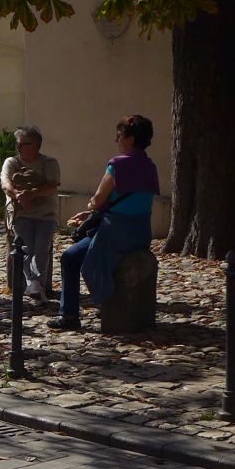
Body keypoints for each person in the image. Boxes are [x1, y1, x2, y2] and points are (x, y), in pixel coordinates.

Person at [50, 115, 161, 332]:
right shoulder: (150, 166)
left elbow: (99, 199)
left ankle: (69, 314)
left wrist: (91, 206)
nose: (117, 140)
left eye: (120, 135)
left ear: (130, 139)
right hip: (140, 233)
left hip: (115, 233)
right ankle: (106, 301)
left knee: (70, 257)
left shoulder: (117, 165)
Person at [2, 126, 61, 305]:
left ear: (36, 145)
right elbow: (5, 183)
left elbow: (53, 186)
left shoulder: (49, 163)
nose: (19, 147)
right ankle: (35, 285)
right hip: (21, 213)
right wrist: (17, 194)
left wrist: (32, 194)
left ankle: (35, 285)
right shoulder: (12, 162)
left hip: (46, 214)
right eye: (18, 144)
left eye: (24, 144)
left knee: (42, 248)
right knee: (26, 248)